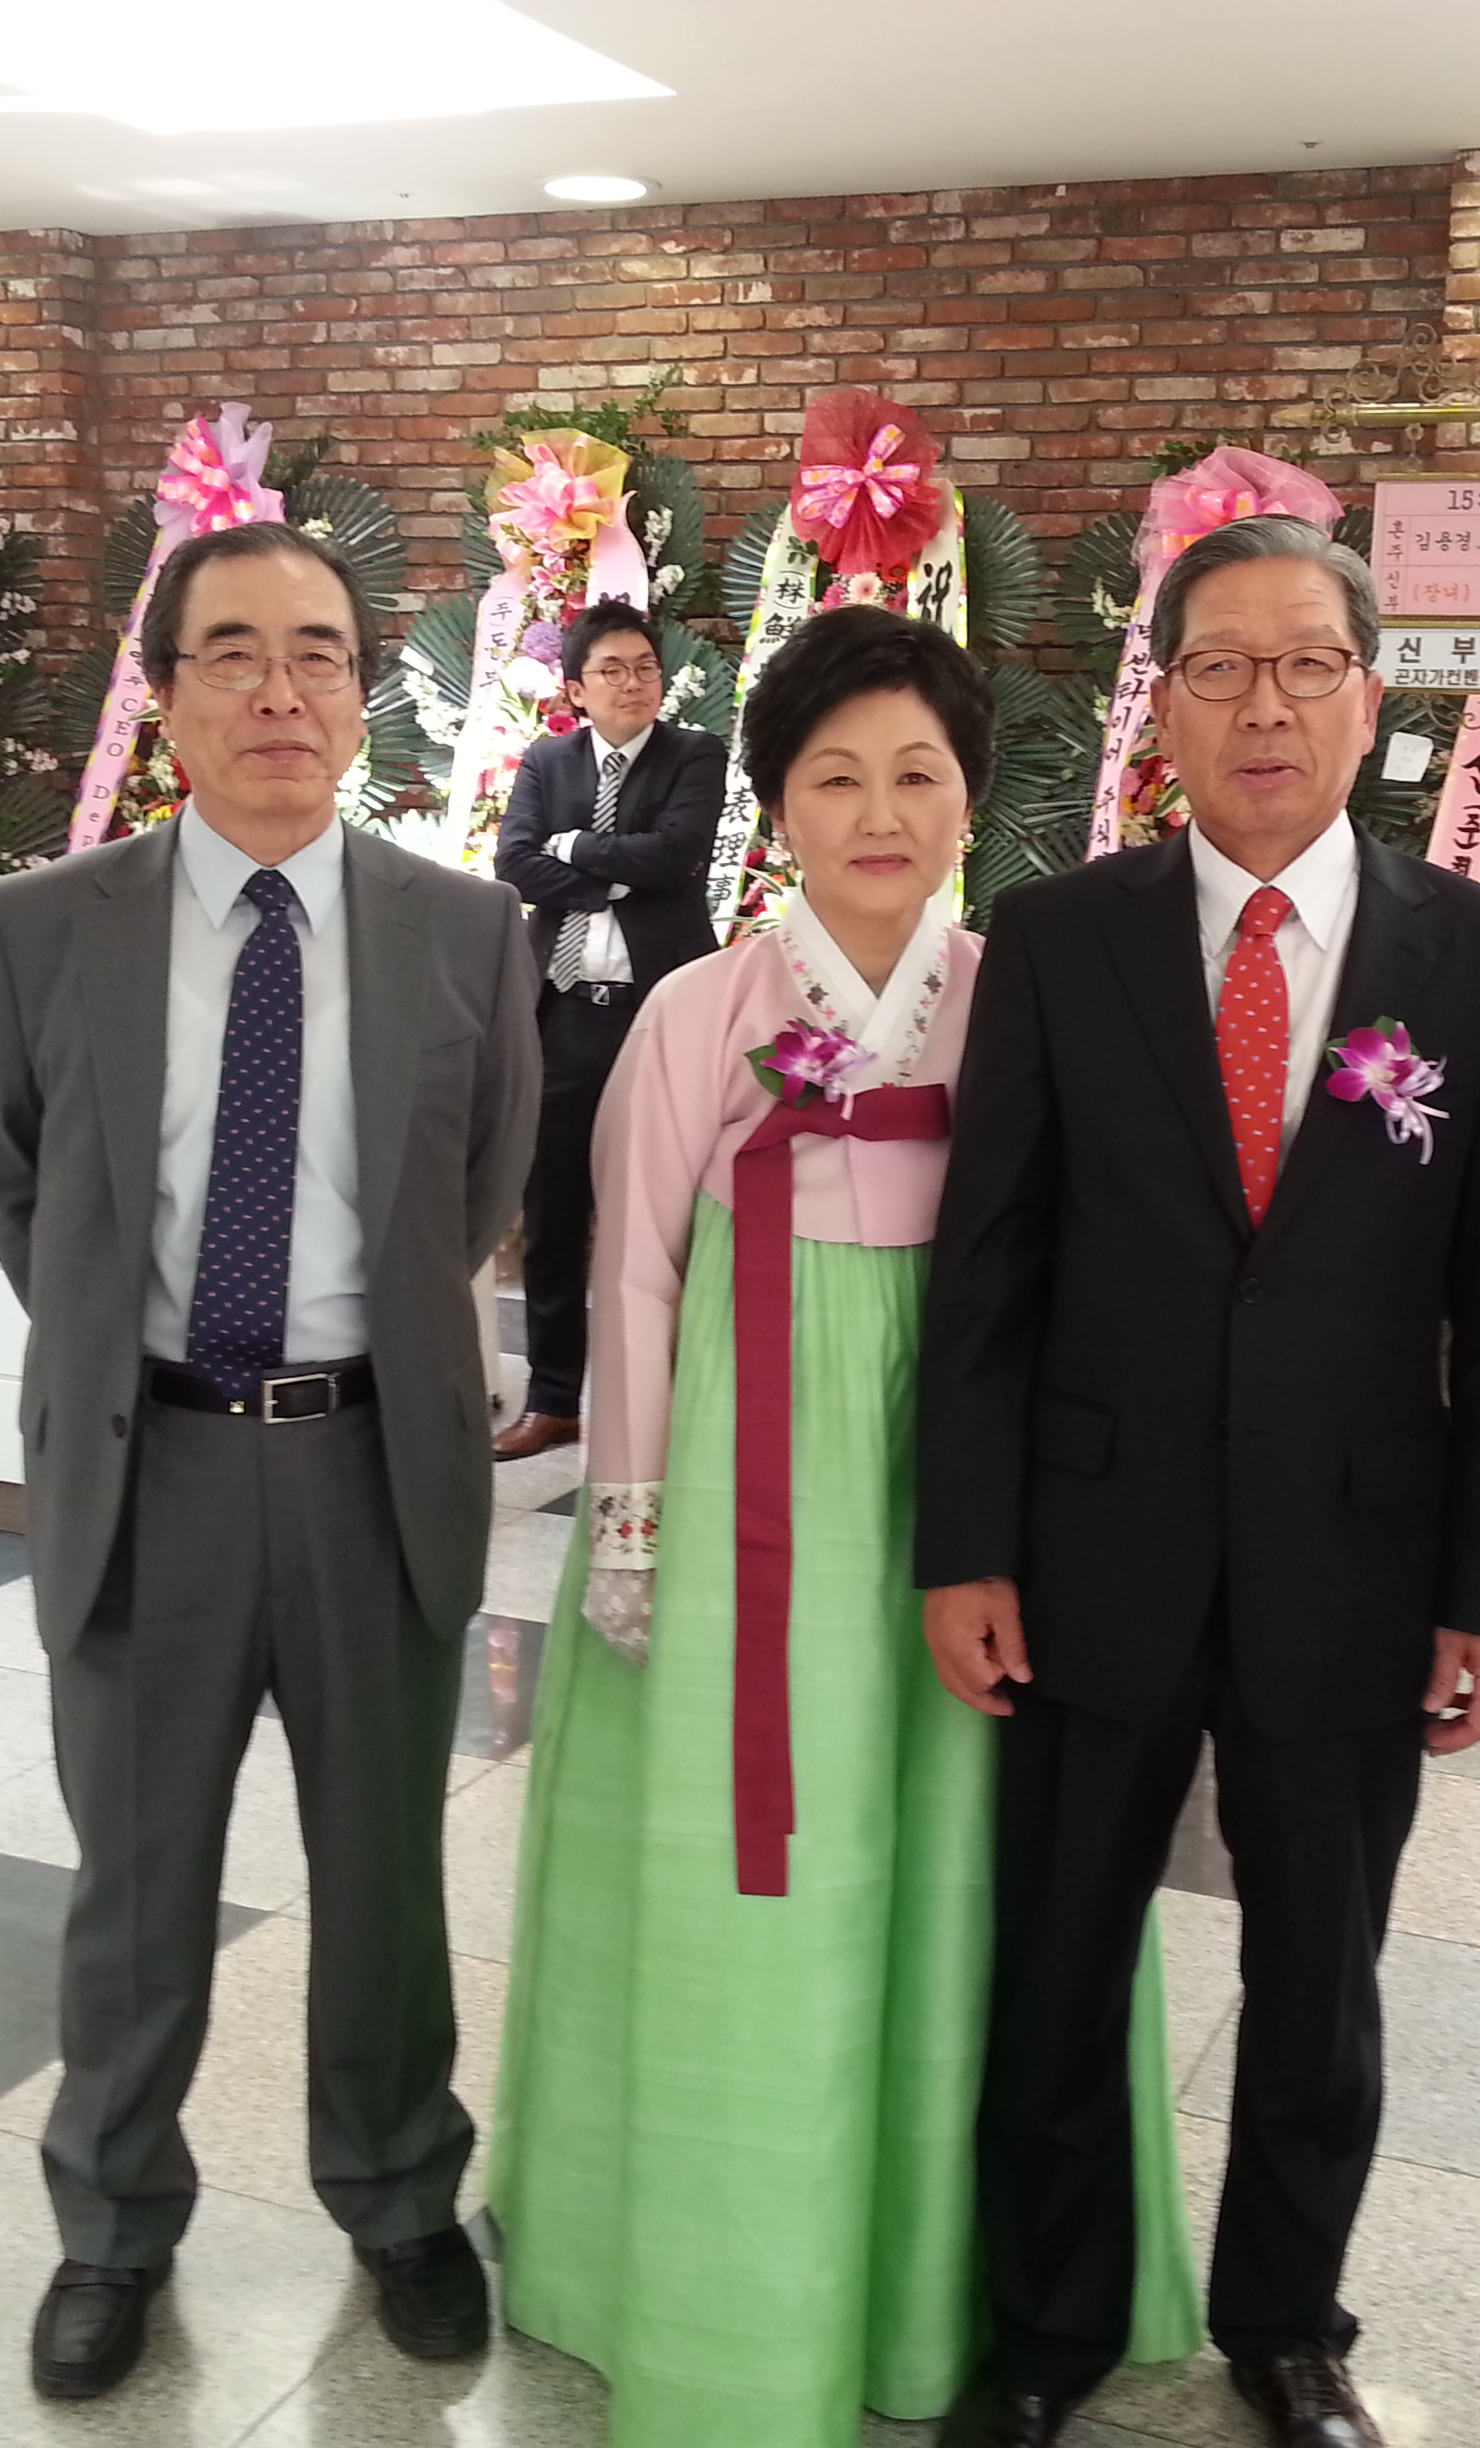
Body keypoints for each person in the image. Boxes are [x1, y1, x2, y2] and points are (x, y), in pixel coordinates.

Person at [491, 606, 1204, 2448]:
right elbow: (634, 1277)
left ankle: (959, 2278)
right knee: (759, 1863)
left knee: (977, 1858)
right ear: (776, 807)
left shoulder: (1028, 992)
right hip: (746, 1471)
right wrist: (629, 1513)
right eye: (834, 778)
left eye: (917, 773)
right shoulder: (697, 1011)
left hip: (975, 1475)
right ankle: (730, 2283)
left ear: (972, 797)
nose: (880, 814)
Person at [915, 517, 1480, 2448]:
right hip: (1086, 1540)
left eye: (1305, 663)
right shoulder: (1058, 937)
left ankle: (1288, 2323)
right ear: (1165, 703)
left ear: (1368, 697)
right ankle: (1042, 2325)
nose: (1262, 705)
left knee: (1318, 1977)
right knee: (1054, 1958)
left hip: (1353, 1559)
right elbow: (988, 1268)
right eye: (1218, 665)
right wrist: (964, 1543)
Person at [0, 521, 539, 2401]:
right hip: (154, 1471)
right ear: (168, 694)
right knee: (134, 1889)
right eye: (232, 652)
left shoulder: (464, 928)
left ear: (363, 695)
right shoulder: (42, 926)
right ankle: (113, 2225)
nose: (279, 691)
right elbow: (23, 1188)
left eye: (317, 653)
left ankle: (398, 2194)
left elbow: (476, 1185)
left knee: (382, 1882)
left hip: (376, 1466)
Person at [492, 597, 729, 1461]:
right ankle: (553, 1399)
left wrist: (572, 851)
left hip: (660, 1013)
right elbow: (513, 865)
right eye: (613, 670)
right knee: (553, 1211)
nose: (633, 684)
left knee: (672, 1209)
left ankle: (681, 1394)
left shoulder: (693, 753)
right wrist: (616, 872)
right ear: (576, 688)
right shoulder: (546, 760)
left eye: (645, 668)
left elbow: (678, 856)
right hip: (564, 1015)